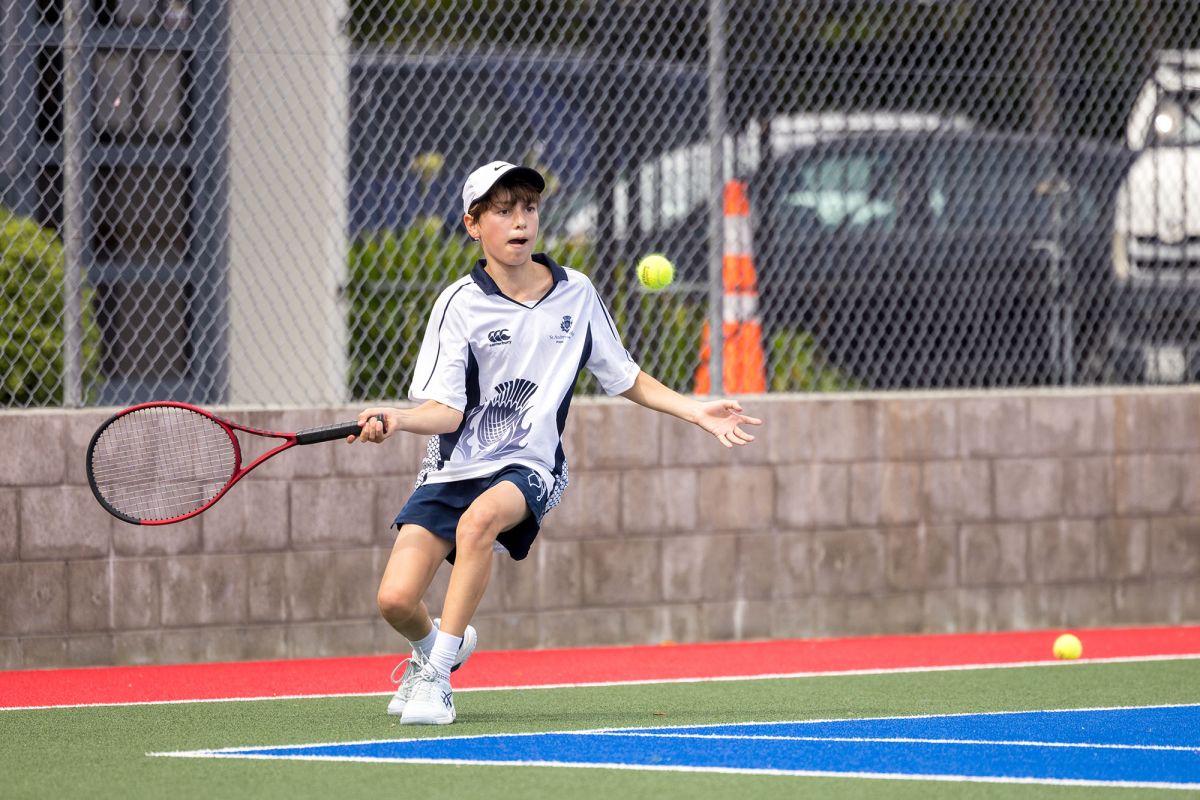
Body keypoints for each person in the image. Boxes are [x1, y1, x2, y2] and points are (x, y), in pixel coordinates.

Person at [349, 161, 762, 725]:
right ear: (473, 225)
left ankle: (439, 679)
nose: (520, 220)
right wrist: (396, 420)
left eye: (529, 207)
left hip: (530, 465)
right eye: (502, 210)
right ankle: (435, 651)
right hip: (454, 466)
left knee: (477, 524)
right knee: (395, 601)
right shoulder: (457, 304)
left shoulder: (577, 293)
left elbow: (626, 377)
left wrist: (696, 409)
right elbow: (446, 413)